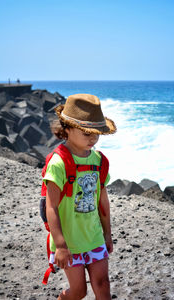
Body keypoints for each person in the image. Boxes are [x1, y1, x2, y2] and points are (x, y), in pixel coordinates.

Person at [43, 94, 117, 300]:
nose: (92, 138)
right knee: (78, 292)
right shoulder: (59, 163)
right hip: (69, 241)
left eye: (97, 133)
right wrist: (60, 245)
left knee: (103, 285)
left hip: (93, 236)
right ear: (66, 128)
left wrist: (107, 233)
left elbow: (103, 202)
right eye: (86, 132)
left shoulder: (99, 161)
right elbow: (51, 207)